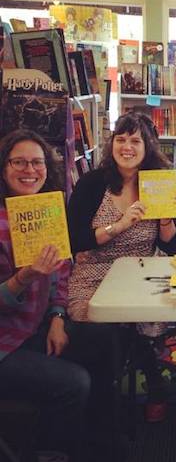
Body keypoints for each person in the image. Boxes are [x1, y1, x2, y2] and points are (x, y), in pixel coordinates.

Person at [67, 112, 176, 429]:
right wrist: (120, 225)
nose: (127, 147)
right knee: (101, 326)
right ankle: (109, 393)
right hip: (94, 272)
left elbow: (173, 246)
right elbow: (75, 240)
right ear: (112, 143)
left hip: (142, 272)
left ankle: (146, 381)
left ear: (148, 146)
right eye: (121, 139)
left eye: (135, 140)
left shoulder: (159, 181)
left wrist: (166, 219)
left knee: (162, 311)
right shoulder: (93, 183)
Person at [0, 130, 90, 461]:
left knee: (102, 340)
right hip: (4, 345)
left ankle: (100, 435)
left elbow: (61, 275)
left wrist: (56, 317)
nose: (29, 170)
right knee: (74, 382)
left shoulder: (47, 211)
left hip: (34, 328)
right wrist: (22, 278)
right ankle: (49, 453)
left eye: (37, 162)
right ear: (3, 167)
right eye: (19, 162)